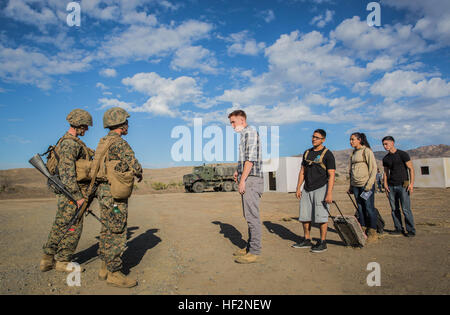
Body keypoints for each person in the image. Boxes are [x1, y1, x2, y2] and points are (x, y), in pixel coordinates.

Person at [40, 109, 94, 272]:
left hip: (68, 192)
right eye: (85, 126)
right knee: (73, 226)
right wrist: (78, 196)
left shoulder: (68, 141)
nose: (87, 129)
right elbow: (67, 173)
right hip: (72, 193)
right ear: (78, 125)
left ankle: (47, 259)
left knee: (60, 224)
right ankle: (63, 261)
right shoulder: (70, 144)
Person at [95, 107, 143, 287]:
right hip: (115, 196)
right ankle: (114, 272)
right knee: (117, 231)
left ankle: (104, 268)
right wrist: (139, 172)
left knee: (107, 229)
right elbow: (134, 164)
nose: (128, 125)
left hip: (103, 193)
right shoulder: (119, 143)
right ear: (121, 124)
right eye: (126, 122)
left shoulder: (103, 142)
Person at [229, 110, 264, 264]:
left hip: (252, 180)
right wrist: (238, 171)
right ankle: (250, 246)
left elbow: (250, 160)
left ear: (242, 120)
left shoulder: (250, 133)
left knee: (252, 217)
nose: (232, 125)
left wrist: (243, 180)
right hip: (248, 177)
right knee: (248, 215)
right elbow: (244, 160)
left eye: (233, 122)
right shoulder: (244, 135)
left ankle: (255, 251)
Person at [292, 129, 335, 253]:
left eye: (317, 137)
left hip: (321, 188)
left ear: (323, 140)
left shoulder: (328, 154)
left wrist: (329, 193)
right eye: (313, 137)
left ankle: (322, 242)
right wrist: (298, 187)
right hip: (307, 188)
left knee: (321, 216)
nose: (314, 139)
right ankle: (306, 239)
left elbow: (331, 175)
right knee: (304, 216)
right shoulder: (307, 153)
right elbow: (302, 171)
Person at [382, 136, 416, 237]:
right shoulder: (386, 158)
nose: (385, 146)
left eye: (386, 144)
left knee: (406, 209)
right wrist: (385, 185)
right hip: (391, 186)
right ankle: (398, 228)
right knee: (394, 209)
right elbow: (385, 172)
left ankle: (410, 230)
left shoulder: (403, 154)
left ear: (392, 143)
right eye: (383, 144)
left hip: (404, 184)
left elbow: (411, 169)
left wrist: (411, 184)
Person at [348, 132, 378, 243]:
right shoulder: (354, 153)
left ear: (359, 140)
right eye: (350, 139)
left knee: (369, 208)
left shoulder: (367, 151)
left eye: (353, 139)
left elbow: (373, 168)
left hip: (366, 186)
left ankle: (373, 232)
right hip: (356, 186)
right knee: (360, 207)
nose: (351, 142)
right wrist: (351, 186)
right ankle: (363, 229)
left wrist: (369, 185)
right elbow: (351, 171)